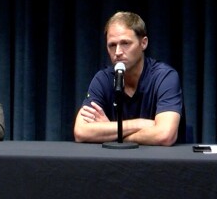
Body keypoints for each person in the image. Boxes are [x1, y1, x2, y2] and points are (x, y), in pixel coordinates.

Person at [73, 11, 183, 146]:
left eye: (125, 43)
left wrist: (111, 132)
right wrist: (140, 124)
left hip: (160, 163)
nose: (118, 52)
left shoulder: (165, 77)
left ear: (143, 43)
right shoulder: (103, 79)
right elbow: (81, 131)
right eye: (112, 45)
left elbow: (165, 135)